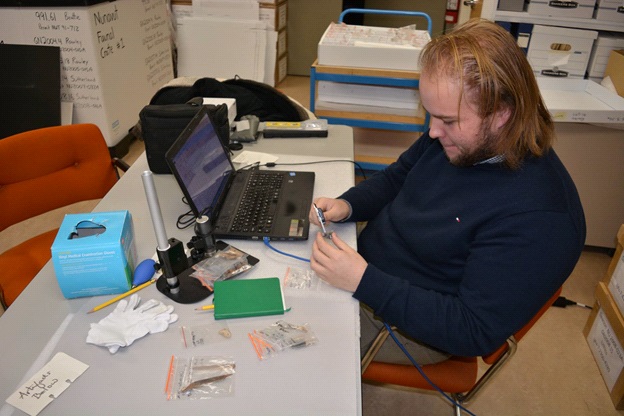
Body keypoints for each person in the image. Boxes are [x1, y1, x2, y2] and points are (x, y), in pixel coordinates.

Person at [309, 19, 586, 365]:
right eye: (431, 115)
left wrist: (363, 281)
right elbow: (398, 178)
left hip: (408, 325)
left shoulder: (542, 219)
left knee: (290, 335)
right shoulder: (461, 137)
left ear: (501, 113)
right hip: (369, 266)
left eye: (448, 120)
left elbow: (471, 329)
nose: (433, 131)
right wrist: (348, 205)